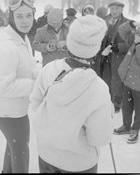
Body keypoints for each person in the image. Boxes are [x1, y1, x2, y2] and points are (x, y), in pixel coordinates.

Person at [30, 15, 114, 173]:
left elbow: (35, 104)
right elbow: (99, 138)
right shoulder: (98, 88)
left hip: (47, 155)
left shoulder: (50, 69)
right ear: (95, 49)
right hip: (79, 163)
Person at [0, 0, 39, 173]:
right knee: (20, 151)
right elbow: (4, 85)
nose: (25, 21)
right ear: (12, 17)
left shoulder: (21, 38)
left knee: (14, 145)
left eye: (28, 15)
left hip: (11, 107)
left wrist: (44, 75)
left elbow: (30, 66)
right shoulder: (8, 47)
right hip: (8, 110)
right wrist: (35, 85)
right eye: (19, 16)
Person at [114, 20, 140, 144]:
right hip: (129, 81)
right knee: (126, 107)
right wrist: (133, 24)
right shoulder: (136, 39)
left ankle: (135, 130)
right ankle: (126, 126)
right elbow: (121, 30)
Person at [100, 1, 129, 113]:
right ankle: (107, 101)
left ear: (122, 9)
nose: (114, 11)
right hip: (104, 57)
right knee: (105, 79)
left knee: (117, 81)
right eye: (112, 9)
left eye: (117, 8)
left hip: (119, 57)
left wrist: (118, 47)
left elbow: (132, 42)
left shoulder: (127, 23)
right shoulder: (104, 21)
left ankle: (117, 103)